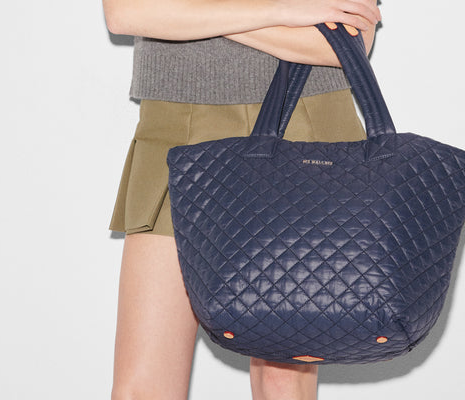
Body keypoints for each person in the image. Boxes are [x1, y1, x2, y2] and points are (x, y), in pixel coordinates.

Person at [102, 1, 381, 399]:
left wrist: (187, 14)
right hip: (177, 123)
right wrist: (284, 9)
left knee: (282, 381)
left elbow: (347, 42)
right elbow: (128, 13)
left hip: (302, 120)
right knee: (142, 388)